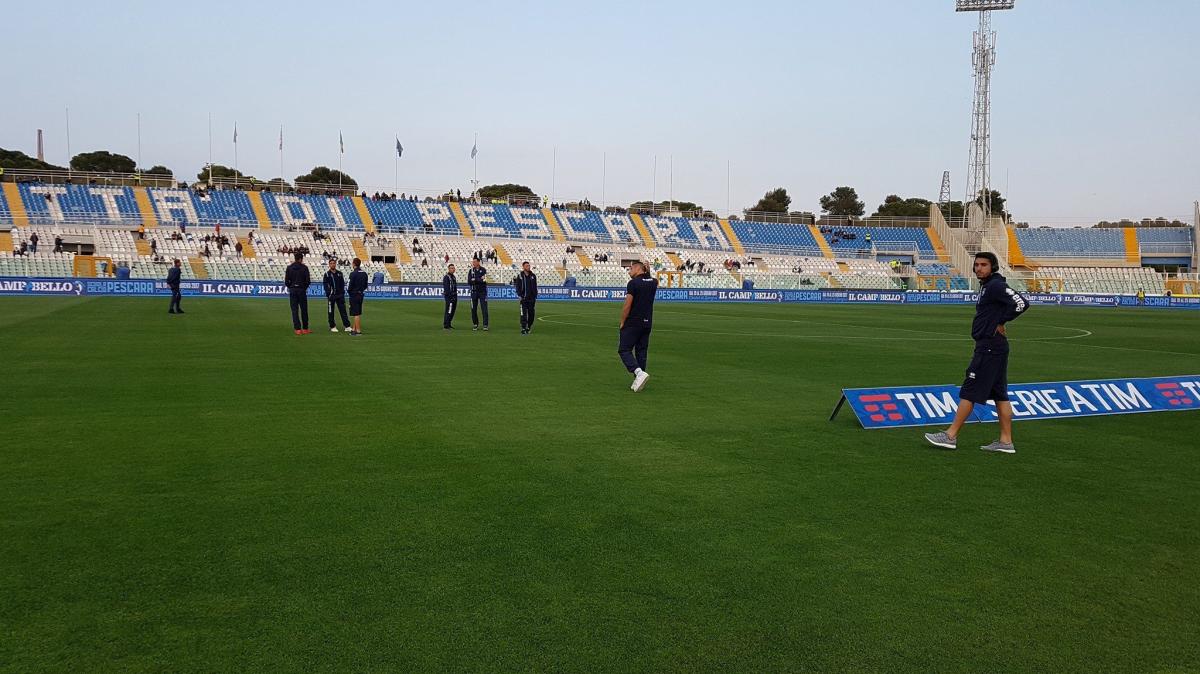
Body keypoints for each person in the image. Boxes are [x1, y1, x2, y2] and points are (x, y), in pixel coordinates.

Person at [924, 252, 1029, 454]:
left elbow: (1022, 303)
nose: (979, 268)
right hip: (994, 346)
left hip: (989, 346)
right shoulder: (987, 286)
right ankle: (1006, 442)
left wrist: (1001, 321)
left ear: (993, 267)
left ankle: (950, 435)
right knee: (1000, 395)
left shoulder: (996, 286)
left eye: (984, 265)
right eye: (977, 264)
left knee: (969, 390)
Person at [618, 261, 658, 392]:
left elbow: (627, 304)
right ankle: (639, 378)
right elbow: (651, 279)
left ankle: (639, 373)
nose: (629, 271)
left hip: (633, 321)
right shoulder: (653, 282)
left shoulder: (633, 283)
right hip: (647, 323)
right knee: (641, 351)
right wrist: (648, 271)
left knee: (624, 350)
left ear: (637, 268)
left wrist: (623, 320)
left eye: (630, 269)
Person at [284, 251, 311, 334]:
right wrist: (303, 287)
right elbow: (308, 281)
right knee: (304, 309)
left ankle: (297, 329)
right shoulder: (304, 268)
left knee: (294, 310)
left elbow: (286, 281)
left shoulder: (289, 267)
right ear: (301, 259)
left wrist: (291, 287)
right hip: (301, 290)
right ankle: (305, 328)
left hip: (293, 290)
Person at [323, 259, 351, 333]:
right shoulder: (327, 274)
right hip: (331, 296)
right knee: (330, 311)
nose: (332, 264)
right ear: (329, 265)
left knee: (343, 311)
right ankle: (332, 326)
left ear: (335, 264)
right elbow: (325, 285)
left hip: (340, 295)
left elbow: (342, 284)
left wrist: (342, 293)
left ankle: (347, 326)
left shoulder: (340, 273)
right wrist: (328, 293)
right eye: (331, 263)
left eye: (334, 263)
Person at [515, 261, 538, 335]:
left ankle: (529, 326)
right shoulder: (520, 276)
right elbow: (517, 286)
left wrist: (535, 295)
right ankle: (523, 328)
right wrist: (519, 295)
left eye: (529, 265)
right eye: (527, 266)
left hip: (531, 299)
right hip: (523, 298)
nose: (528, 267)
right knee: (523, 314)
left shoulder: (533, 276)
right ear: (523, 267)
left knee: (531, 314)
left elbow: (535, 286)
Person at [347, 257, 368, 336]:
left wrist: (349, 291)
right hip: (361, 294)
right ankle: (353, 329)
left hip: (354, 294)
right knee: (358, 312)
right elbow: (365, 285)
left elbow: (349, 285)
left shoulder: (353, 274)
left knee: (355, 313)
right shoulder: (364, 273)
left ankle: (358, 331)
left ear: (354, 264)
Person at [467, 258, 489, 331]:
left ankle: (485, 325)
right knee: (473, 309)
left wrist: (475, 279)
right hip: (474, 292)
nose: (473, 263)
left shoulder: (483, 270)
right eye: (473, 262)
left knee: (484, 309)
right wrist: (479, 279)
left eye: (475, 261)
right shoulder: (471, 270)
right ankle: (475, 324)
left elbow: (484, 280)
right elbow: (469, 281)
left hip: (482, 292)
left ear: (478, 262)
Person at [442, 263, 458, 330]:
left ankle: (449, 323)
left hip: (454, 296)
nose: (453, 269)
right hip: (449, 297)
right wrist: (450, 295)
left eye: (453, 268)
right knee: (449, 310)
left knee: (452, 311)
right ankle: (446, 325)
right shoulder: (446, 277)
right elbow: (446, 288)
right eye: (451, 268)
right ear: (449, 269)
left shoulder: (453, 277)